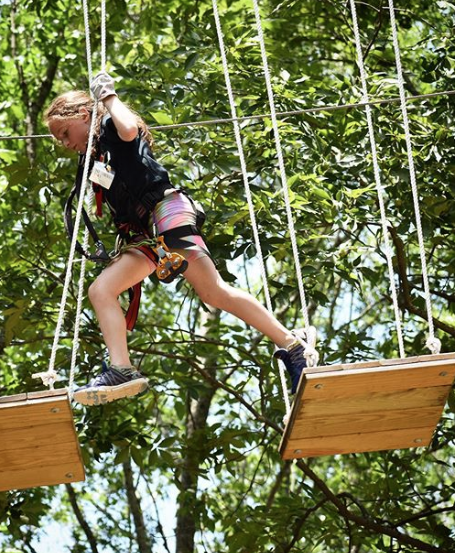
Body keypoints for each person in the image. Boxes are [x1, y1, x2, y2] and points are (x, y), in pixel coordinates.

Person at [44, 72, 310, 406]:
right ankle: (122, 369)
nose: (65, 143)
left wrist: (109, 97)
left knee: (213, 291)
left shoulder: (111, 126)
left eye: (64, 133)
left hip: (164, 210)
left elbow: (129, 129)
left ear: (84, 115)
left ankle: (293, 346)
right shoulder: (93, 155)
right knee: (104, 290)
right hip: (142, 233)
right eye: (59, 140)